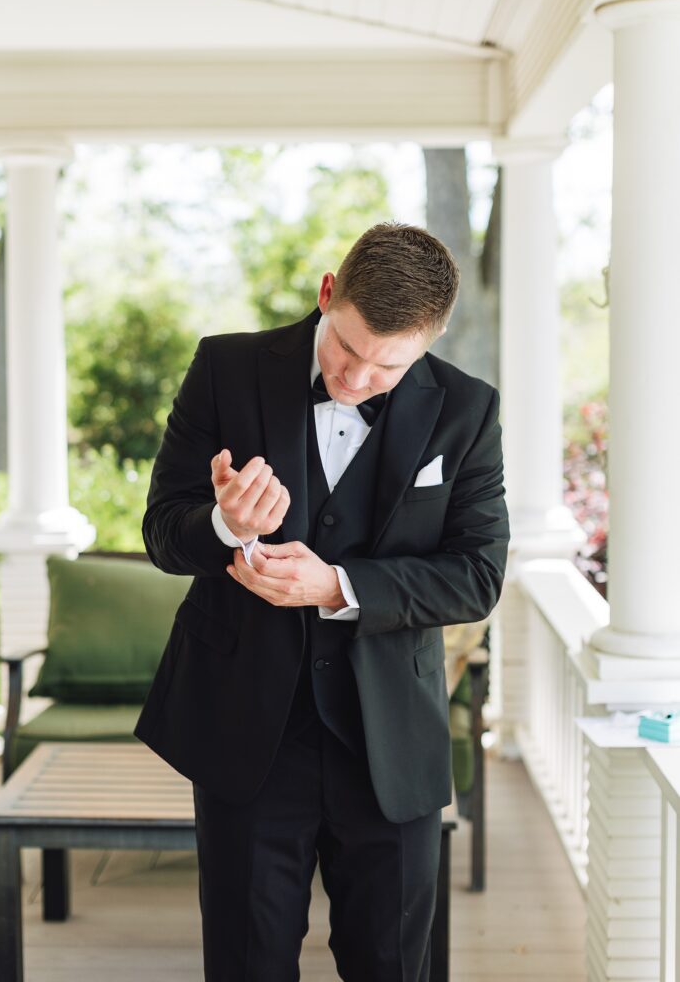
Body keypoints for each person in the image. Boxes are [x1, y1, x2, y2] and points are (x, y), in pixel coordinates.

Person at [134, 221, 510, 982]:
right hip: (247, 730)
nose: (355, 378)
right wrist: (222, 523)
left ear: (429, 340)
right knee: (245, 964)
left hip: (390, 746)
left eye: (387, 367)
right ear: (327, 294)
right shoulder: (225, 367)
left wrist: (338, 586)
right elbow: (162, 535)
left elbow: (476, 574)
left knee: (390, 965)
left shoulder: (466, 410)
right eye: (346, 349)